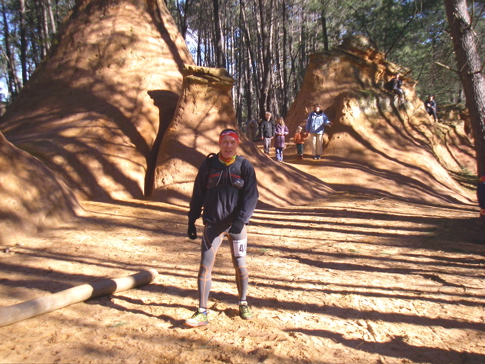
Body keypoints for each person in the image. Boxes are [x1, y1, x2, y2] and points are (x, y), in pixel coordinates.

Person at [185, 128, 259, 327]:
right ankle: (202, 311)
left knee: (240, 265)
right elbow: (198, 193)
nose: (228, 146)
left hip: (237, 227)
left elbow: (251, 196)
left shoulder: (244, 166)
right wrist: (192, 219)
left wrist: (241, 220)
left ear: (237, 145)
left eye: (232, 142)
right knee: (204, 267)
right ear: (219, 143)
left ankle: (243, 302)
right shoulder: (209, 164)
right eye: (225, 142)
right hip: (212, 225)